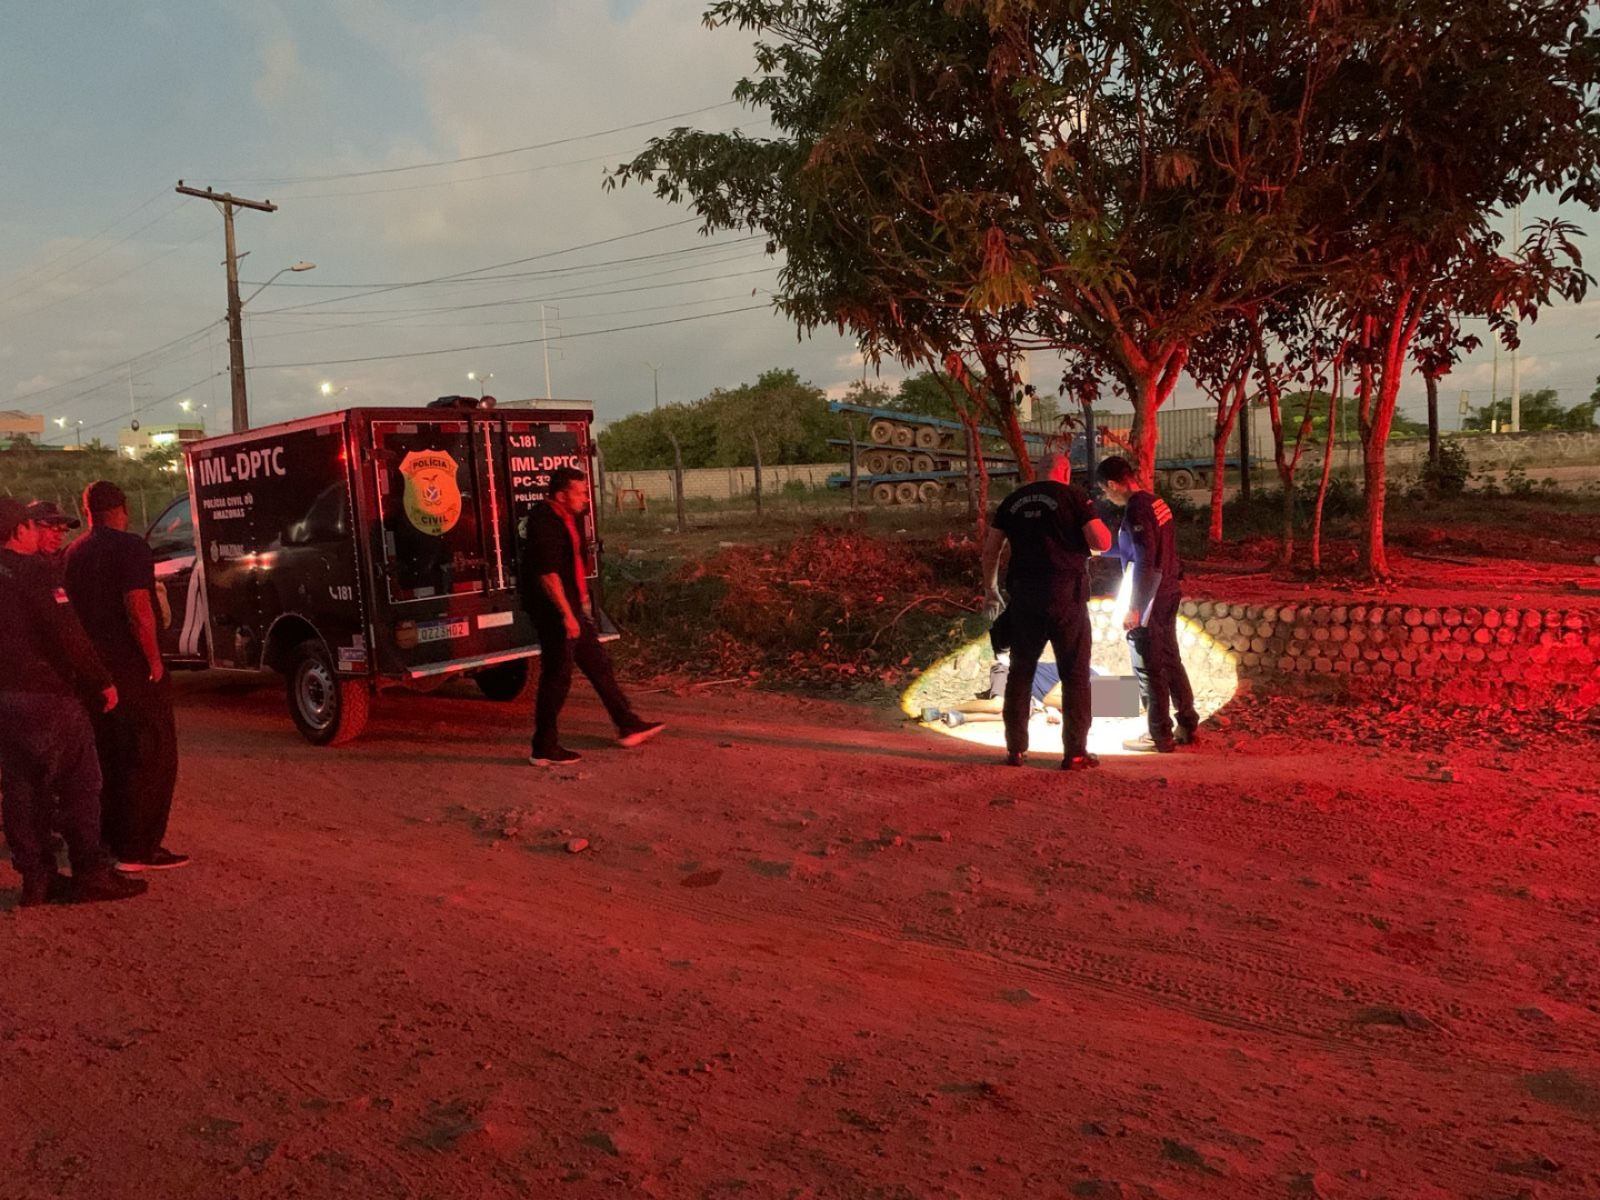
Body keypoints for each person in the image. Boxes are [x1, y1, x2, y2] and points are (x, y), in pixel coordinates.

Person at [0, 497, 147, 906]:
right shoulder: (36, 574)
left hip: (6, 699)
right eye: (35, 524)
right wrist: (102, 681)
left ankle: (37, 879)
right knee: (81, 785)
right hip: (48, 696)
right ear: (20, 528)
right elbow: (68, 635)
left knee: (20, 789)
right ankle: (91, 872)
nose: (43, 532)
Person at [63, 482, 187, 871]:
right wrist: (154, 661)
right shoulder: (130, 546)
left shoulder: (74, 551)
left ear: (87, 511)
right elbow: (138, 609)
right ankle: (138, 849)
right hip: (130, 667)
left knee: (109, 756)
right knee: (149, 755)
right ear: (124, 508)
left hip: (94, 671)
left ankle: (111, 842)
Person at [519, 468, 663, 766]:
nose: (586, 498)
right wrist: (568, 616)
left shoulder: (567, 517)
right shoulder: (544, 521)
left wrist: (582, 600)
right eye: (580, 492)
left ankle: (627, 723)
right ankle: (543, 747)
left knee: (599, 665)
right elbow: (548, 575)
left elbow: (571, 563)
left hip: (571, 608)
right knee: (556, 677)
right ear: (561, 495)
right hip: (555, 612)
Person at [981, 451, 1112, 770]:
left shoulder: (1013, 501)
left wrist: (990, 588)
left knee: (1020, 672)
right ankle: (1075, 752)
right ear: (1065, 472)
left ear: (1036, 471)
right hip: (1066, 597)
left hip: (1025, 598)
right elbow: (1102, 542)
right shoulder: (1075, 497)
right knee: (1075, 674)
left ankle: (1015, 750)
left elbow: (991, 549)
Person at [1095, 455, 1200, 753]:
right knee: (1170, 660)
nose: (1107, 496)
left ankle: (1158, 735)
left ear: (1114, 484)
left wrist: (1136, 607)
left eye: (1105, 490)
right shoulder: (1155, 502)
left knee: (1147, 668)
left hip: (1150, 597)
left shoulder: (1137, 510)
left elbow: (1144, 561)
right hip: (1168, 591)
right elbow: (1135, 548)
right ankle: (1187, 724)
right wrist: (1101, 548)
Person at [23, 500, 79, 587]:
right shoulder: (17, 570)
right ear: (31, 526)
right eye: (54, 529)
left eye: (64, 531)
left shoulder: (66, 564)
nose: (59, 537)